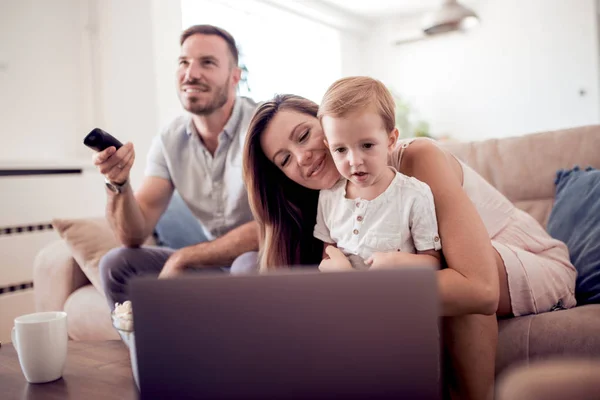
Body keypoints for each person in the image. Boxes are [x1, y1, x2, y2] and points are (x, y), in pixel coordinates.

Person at [241, 92, 577, 399]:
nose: (302, 157)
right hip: (452, 273)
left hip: (530, 259)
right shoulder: (329, 204)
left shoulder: (414, 159)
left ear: (327, 123)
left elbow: (478, 288)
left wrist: (354, 284)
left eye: (303, 135)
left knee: (442, 274)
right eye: (284, 159)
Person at [95, 24, 259, 310]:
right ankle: (148, 351)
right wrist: (118, 184)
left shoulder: (263, 126)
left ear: (235, 76)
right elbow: (132, 234)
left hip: (264, 258)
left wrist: (183, 258)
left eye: (207, 63)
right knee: (116, 263)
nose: (190, 74)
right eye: (184, 62)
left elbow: (271, 227)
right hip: (215, 268)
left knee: (247, 266)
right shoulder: (169, 140)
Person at [313, 77, 442, 272]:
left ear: (391, 141)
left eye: (367, 145)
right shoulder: (328, 197)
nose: (355, 161)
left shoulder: (414, 195)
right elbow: (328, 251)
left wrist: (397, 262)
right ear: (328, 147)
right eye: (340, 149)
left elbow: (433, 261)